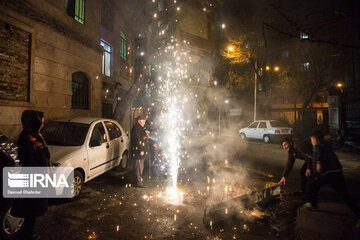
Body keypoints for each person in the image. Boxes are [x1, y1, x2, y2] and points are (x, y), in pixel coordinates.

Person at [304, 132, 360, 228]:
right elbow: (322, 155)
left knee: (313, 186)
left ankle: (314, 205)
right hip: (336, 172)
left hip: (328, 174)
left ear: (315, 139)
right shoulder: (326, 145)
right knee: (344, 194)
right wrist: (315, 159)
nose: (311, 141)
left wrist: (318, 162)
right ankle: (313, 205)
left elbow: (319, 154)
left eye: (312, 139)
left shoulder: (318, 146)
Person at [11, 110, 51, 240]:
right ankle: (26, 236)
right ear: (35, 122)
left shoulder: (36, 135)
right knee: (30, 211)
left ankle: (28, 234)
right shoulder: (26, 137)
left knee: (33, 213)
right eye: (41, 122)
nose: (43, 125)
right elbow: (28, 160)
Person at [131, 115, 149, 187]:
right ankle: (138, 183)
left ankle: (139, 181)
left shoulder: (141, 128)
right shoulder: (136, 129)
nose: (144, 123)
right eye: (143, 121)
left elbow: (143, 138)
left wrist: (146, 135)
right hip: (138, 151)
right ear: (139, 121)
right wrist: (140, 149)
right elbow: (138, 140)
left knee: (140, 166)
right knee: (139, 166)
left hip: (141, 151)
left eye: (145, 121)